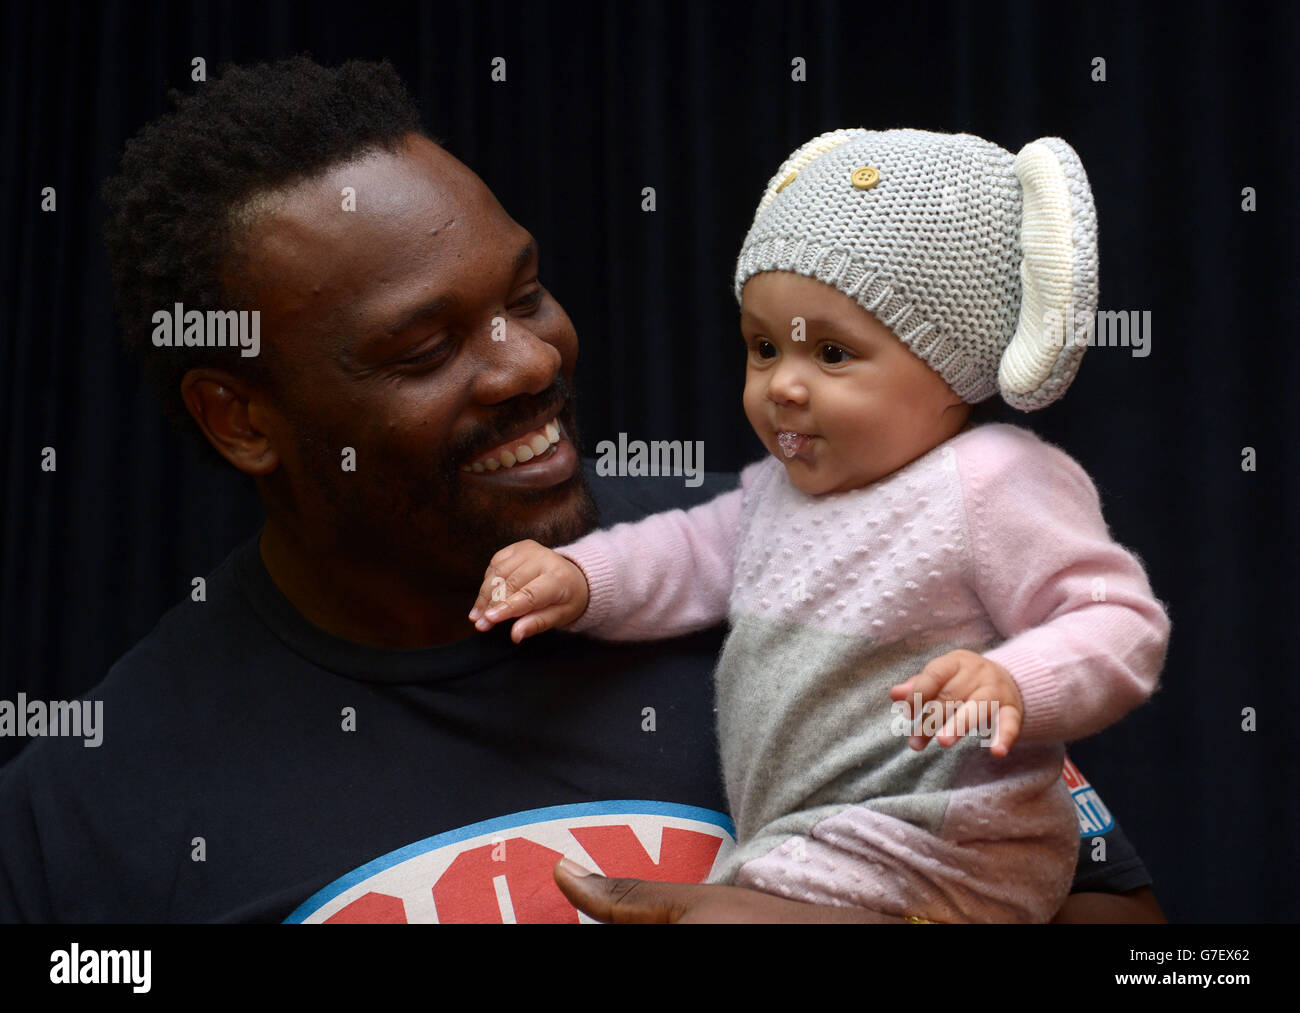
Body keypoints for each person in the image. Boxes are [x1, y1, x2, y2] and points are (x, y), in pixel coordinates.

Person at [0, 59, 1162, 923]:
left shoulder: (825, 559)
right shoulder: (92, 807)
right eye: (423, 347)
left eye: (526, 291)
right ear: (241, 417)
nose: (530, 359)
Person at [472, 129, 1172, 922]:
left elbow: (1119, 621)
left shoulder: (990, 478)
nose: (784, 387)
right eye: (763, 347)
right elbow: (687, 549)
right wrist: (583, 577)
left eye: (832, 353)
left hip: (950, 855)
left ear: (954, 366)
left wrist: (1018, 680)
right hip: (816, 849)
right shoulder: (777, 493)